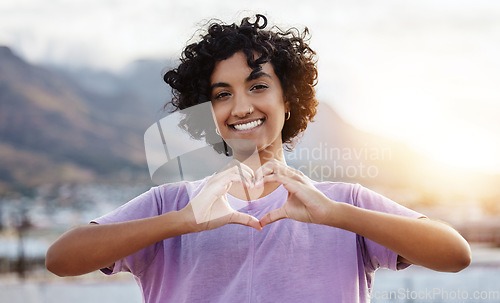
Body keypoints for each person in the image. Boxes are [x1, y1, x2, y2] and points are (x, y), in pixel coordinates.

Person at [46, 14, 471, 303]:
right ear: (206, 114)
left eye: (257, 86)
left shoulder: (342, 202)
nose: (241, 106)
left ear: (289, 100)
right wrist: (182, 222)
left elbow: (454, 255)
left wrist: (338, 215)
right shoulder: (169, 205)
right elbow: (61, 259)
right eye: (222, 95)